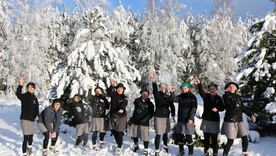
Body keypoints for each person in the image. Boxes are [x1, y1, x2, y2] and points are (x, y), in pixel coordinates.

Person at [221, 82, 256, 156]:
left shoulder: (238, 97)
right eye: (230, 86)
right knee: (230, 141)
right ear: (227, 88)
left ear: (236, 88)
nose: (232, 87)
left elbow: (242, 107)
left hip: (239, 121)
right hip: (230, 121)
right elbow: (230, 106)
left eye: (233, 86)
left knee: (245, 138)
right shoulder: (226, 96)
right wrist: (227, 93)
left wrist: (251, 115)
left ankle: (244, 153)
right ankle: (225, 154)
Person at [193, 78, 224, 156]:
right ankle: (206, 151)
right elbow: (200, 91)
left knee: (214, 139)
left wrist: (217, 109)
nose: (212, 90)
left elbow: (223, 107)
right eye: (210, 89)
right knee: (206, 137)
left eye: (213, 89)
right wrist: (199, 83)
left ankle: (215, 153)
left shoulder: (219, 98)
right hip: (206, 119)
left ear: (216, 90)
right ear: (208, 90)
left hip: (215, 120)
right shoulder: (206, 96)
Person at [149, 72, 175, 156]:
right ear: (160, 88)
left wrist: (173, 115)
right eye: (161, 87)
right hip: (158, 116)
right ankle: (157, 150)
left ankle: (165, 145)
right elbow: (154, 90)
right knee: (158, 133)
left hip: (166, 116)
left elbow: (172, 106)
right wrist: (153, 80)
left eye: (164, 87)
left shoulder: (168, 97)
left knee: (165, 133)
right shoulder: (157, 95)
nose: (163, 88)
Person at [171, 82, 197, 156]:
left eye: (185, 88)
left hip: (188, 120)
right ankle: (181, 151)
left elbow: (194, 108)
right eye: (182, 89)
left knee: (189, 137)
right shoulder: (181, 96)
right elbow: (174, 99)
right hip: (181, 119)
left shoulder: (192, 97)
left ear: (188, 88)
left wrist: (191, 118)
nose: (184, 90)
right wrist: (172, 92)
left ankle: (191, 152)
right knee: (180, 136)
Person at [16, 76, 39, 156]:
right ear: (27, 88)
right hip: (25, 119)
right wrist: (20, 84)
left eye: (32, 87)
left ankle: (29, 147)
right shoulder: (25, 96)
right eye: (29, 87)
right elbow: (18, 94)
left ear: (34, 89)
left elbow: (36, 107)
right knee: (26, 137)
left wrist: (37, 115)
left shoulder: (35, 98)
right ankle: (24, 153)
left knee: (31, 135)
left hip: (31, 120)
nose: (31, 88)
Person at [129, 88, 155, 156]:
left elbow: (151, 114)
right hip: (135, 120)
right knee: (135, 134)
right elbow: (135, 102)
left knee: (145, 136)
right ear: (141, 94)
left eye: (146, 94)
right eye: (143, 93)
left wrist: (146, 118)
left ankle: (146, 149)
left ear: (148, 95)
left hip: (144, 122)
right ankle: (136, 145)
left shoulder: (150, 104)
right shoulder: (137, 101)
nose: (144, 95)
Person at [106, 79, 128, 156]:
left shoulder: (124, 97)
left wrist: (122, 109)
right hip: (112, 116)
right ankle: (118, 143)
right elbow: (108, 92)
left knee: (119, 132)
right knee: (113, 131)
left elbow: (124, 104)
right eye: (118, 88)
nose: (119, 90)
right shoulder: (113, 95)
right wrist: (112, 85)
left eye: (121, 89)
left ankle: (119, 147)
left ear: (123, 90)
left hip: (121, 117)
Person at [87, 85, 109, 150]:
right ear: (95, 92)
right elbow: (89, 98)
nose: (98, 92)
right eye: (96, 91)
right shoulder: (93, 98)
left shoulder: (104, 98)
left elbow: (107, 107)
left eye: (99, 91)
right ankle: (94, 145)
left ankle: (101, 143)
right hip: (95, 117)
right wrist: (89, 90)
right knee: (95, 132)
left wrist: (104, 102)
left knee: (102, 132)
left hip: (102, 117)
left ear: (101, 92)